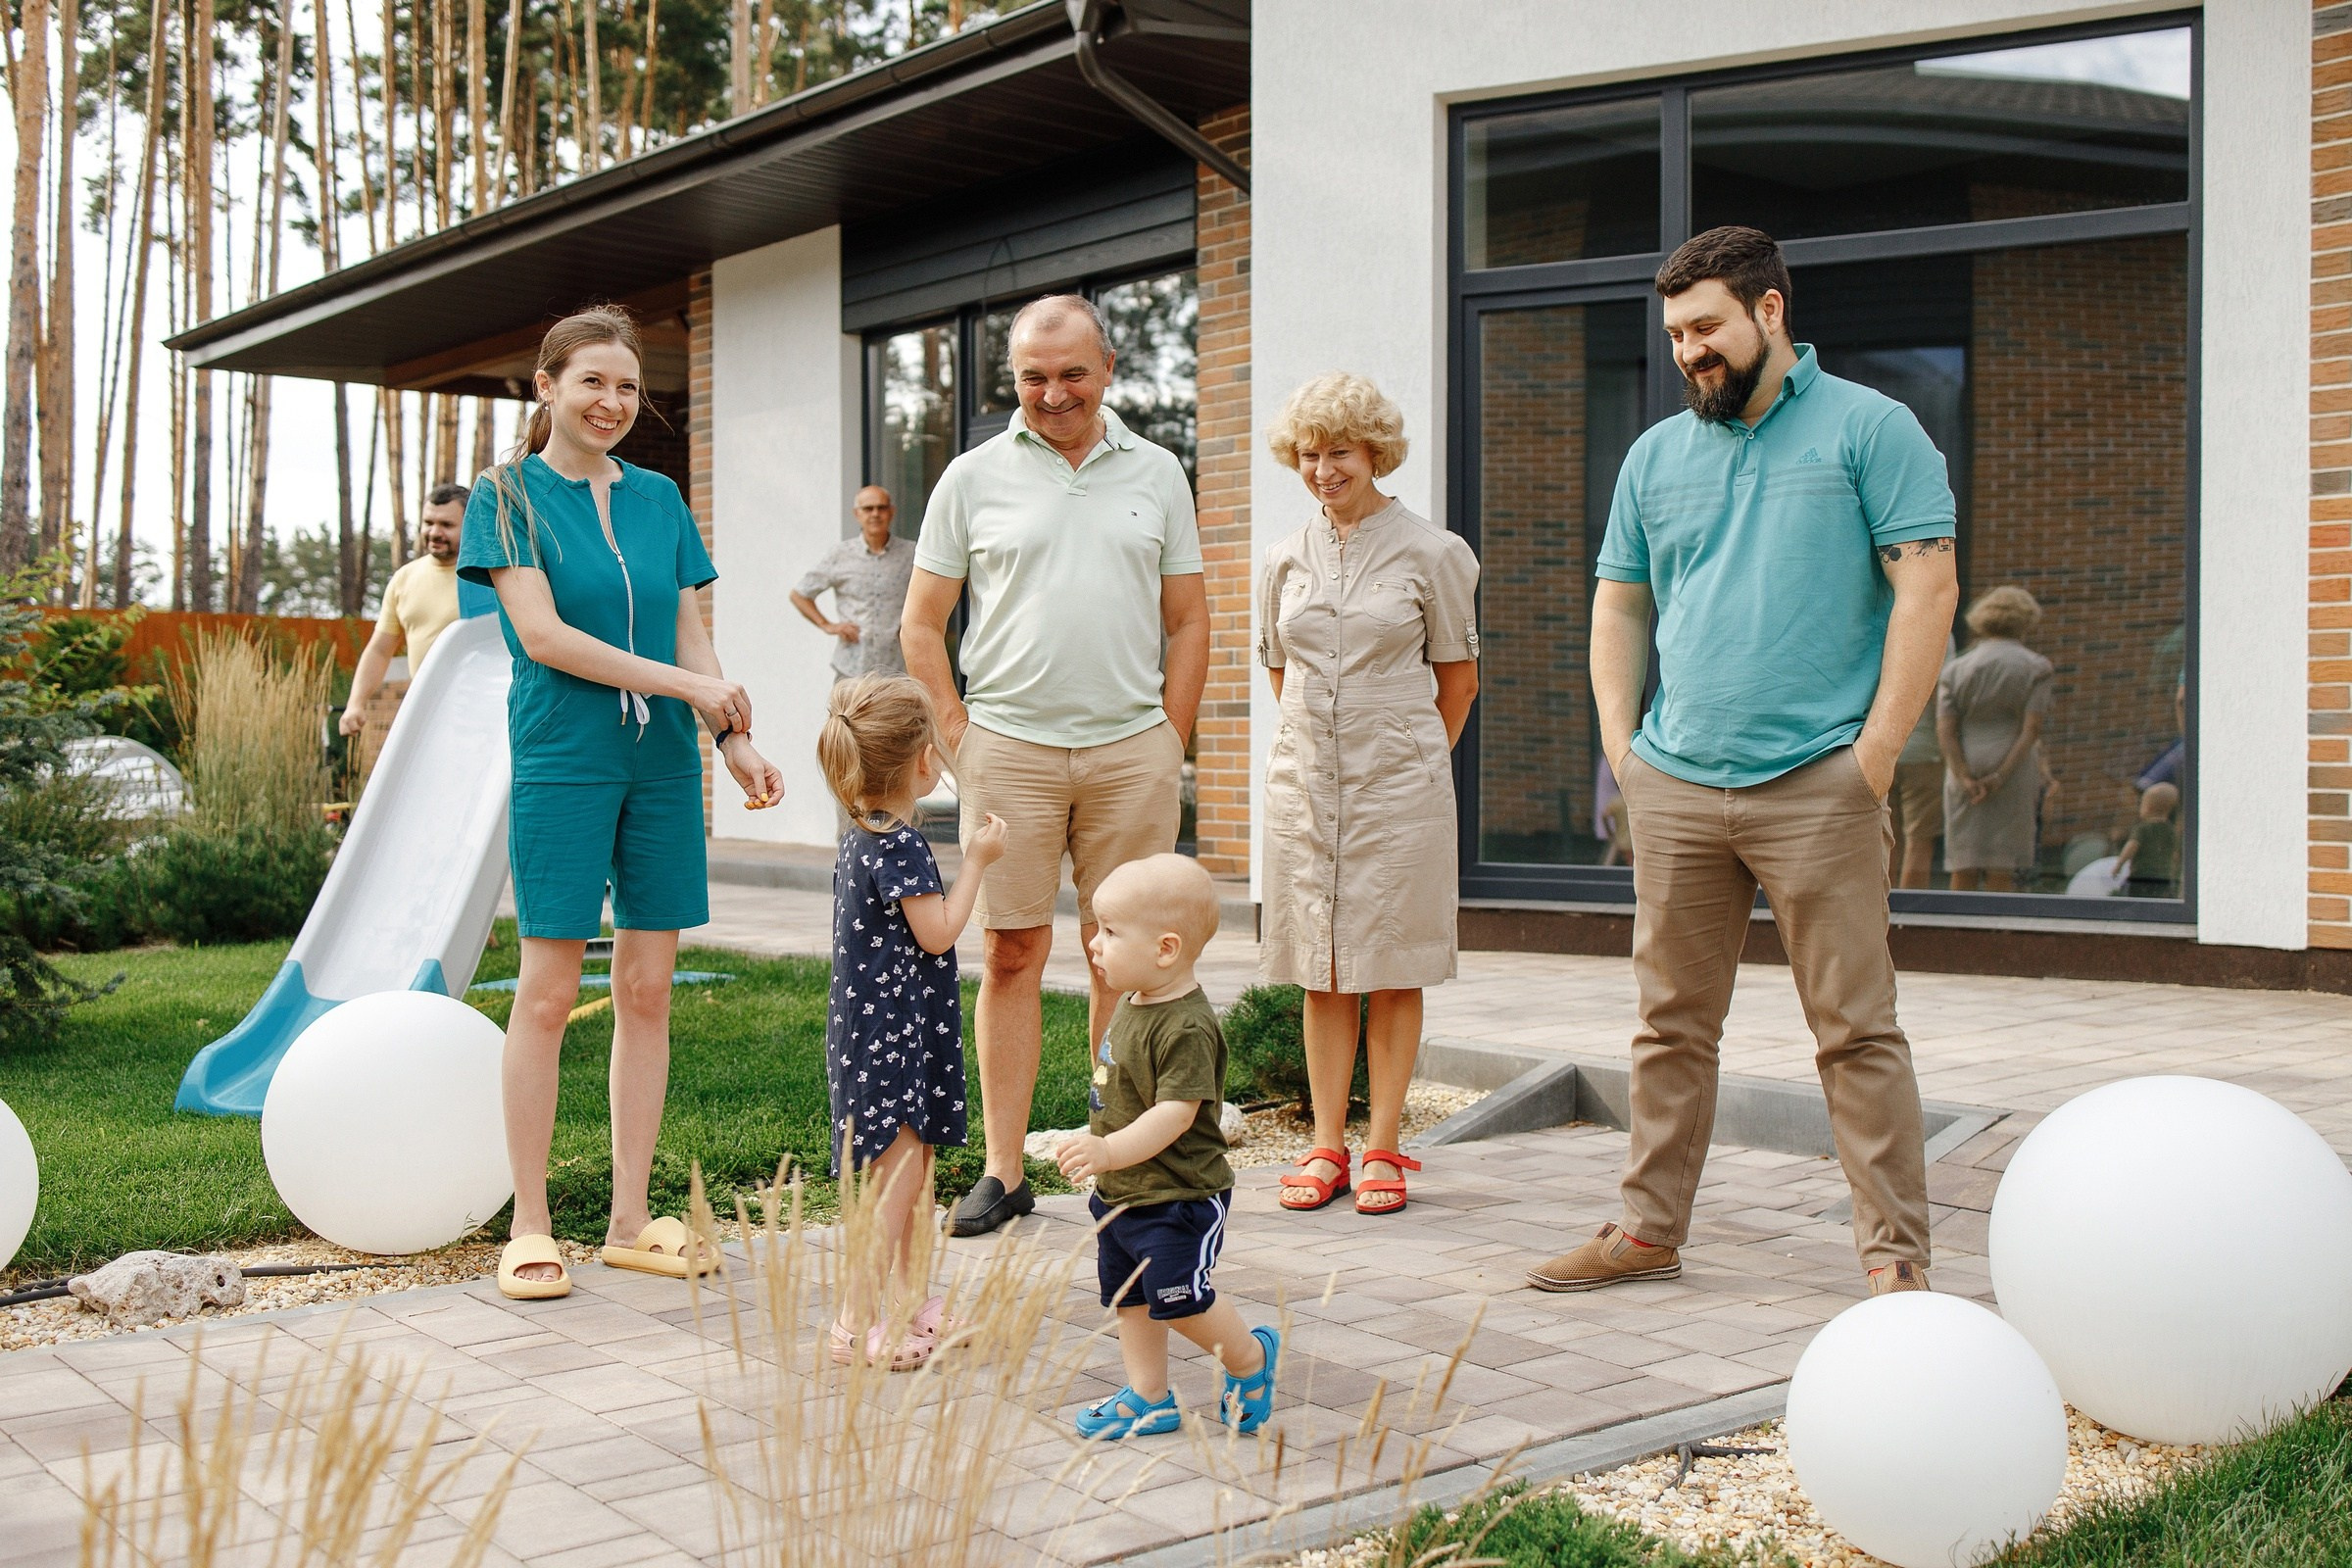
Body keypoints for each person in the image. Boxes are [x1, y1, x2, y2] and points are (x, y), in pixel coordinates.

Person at [1529, 226, 1959, 1298]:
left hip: (1821, 779)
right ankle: (1646, 1229)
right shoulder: (1655, 457)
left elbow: (1929, 592)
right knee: (1670, 1025)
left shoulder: (1875, 428)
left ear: (1770, 311)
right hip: (1675, 780)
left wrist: (1875, 756)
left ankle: (1894, 1257)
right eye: (1675, 334)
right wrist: (1624, 749)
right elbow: (1620, 603)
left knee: (1855, 1030)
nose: (1689, 353)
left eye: (1707, 327)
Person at [460, 304, 786, 1301]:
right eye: (592, 380)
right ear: (546, 386)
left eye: (628, 386)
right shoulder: (504, 493)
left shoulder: (658, 498)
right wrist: (690, 693)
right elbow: (544, 635)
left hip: (660, 769)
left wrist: (730, 738)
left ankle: (631, 1217)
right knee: (549, 992)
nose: (612, 401)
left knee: (648, 990)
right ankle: (528, 1224)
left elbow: (692, 632)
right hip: (563, 752)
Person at [901, 293, 1209, 1239]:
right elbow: (921, 623)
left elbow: (1190, 617)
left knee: (1126, 962)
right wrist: (962, 738)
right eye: (1034, 376)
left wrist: (1172, 736)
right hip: (1011, 751)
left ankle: (1121, 1156)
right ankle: (1005, 1169)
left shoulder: (1157, 473)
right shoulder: (970, 476)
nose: (1053, 392)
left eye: (1072, 372)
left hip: (1130, 753)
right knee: (1011, 953)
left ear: (1107, 370)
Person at [1255, 373, 1480, 1217]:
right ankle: (1325, 1144)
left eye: (1339, 452)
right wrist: (1329, 754)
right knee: (1321, 968)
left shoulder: (1434, 553)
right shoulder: (1281, 559)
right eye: (1309, 455)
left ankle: (1382, 1144)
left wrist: (1404, 762)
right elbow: (1281, 669)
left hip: (1401, 788)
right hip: (1305, 782)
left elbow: (1457, 683)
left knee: (1391, 965)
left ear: (1375, 452)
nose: (1323, 470)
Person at [815, 674, 1005, 1369]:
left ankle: (914, 1306)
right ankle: (853, 1322)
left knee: (914, 1176)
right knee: (894, 1189)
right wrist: (978, 862)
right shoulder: (900, 847)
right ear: (923, 760)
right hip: (892, 1040)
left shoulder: (862, 835)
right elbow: (939, 932)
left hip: (885, 1032)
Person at [1053, 854, 1279, 1439]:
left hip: (1179, 1198)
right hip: (1123, 1193)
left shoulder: (1186, 1026)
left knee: (1181, 1298)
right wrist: (1097, 1142)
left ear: (1166, 949)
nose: (1094, 945)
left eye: (1109, 932)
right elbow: (1123, 1095)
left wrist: (1107, 1151)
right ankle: (1149, 1397)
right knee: (1130, 1298)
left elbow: (1174, 1116)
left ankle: (1249, 1358)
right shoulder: (1133, 1002)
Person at [1937, 586, 2054, 894]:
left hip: (1965, 761)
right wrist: (2001, 776)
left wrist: (1962, 775)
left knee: (1963, 865)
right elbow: (2031, 730)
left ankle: (1955, 936)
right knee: (2002, 867)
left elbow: (1946, 729)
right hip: (2013, 767)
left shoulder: (1956, 669)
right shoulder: (2037, 667)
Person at [337, 483, 466, 740]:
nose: (434, 532)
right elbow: (380, 650)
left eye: (446, 525)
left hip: (483, 711)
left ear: (471, 523)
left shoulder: (491, 578)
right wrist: (356, 703)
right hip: (426, 711)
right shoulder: (404, 579)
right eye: (428, 522)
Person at [791, 486, 918, 680]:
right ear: (856, 514)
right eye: (868, 509)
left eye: (881, 508)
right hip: (852, 668)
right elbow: (800, 594)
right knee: (848, 712)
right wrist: (827, 625)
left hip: (898, 668)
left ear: (891, 512)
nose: (875, 514)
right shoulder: (841, 555)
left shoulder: (912, 554)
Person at [1887, 635, 1954, 889]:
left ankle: (1884, 915)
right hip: (1925, 751)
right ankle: (1908, 915)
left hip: (1883, 748)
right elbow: (1940, 693)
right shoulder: (1939, 627)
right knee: (1920, 840)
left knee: (1887, 840)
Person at [2114, 780, 2180, 898]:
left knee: (2135, 901)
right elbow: (2175, 854)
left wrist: (2119, 864)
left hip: (2141, 876)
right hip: (2163, 878)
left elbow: (2131, 846)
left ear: (2147, 807)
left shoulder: (2142, 828)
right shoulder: (2170, 830)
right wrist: (2173, 871)